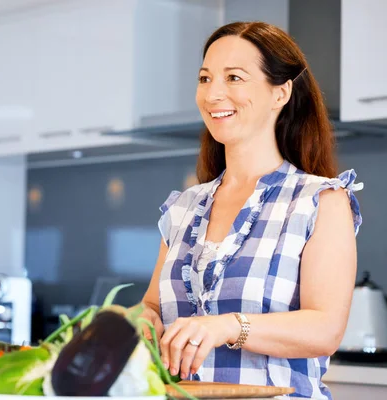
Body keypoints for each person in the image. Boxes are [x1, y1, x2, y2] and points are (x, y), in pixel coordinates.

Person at [136, 21, 362, 399]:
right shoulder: (185, 207)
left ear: (281, 93)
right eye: (205, 78)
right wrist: (143, 321)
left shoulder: (319, 201)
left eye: (234, 78)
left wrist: (226, 327)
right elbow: (153, 305)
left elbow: (326, 330)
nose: (213, 94)